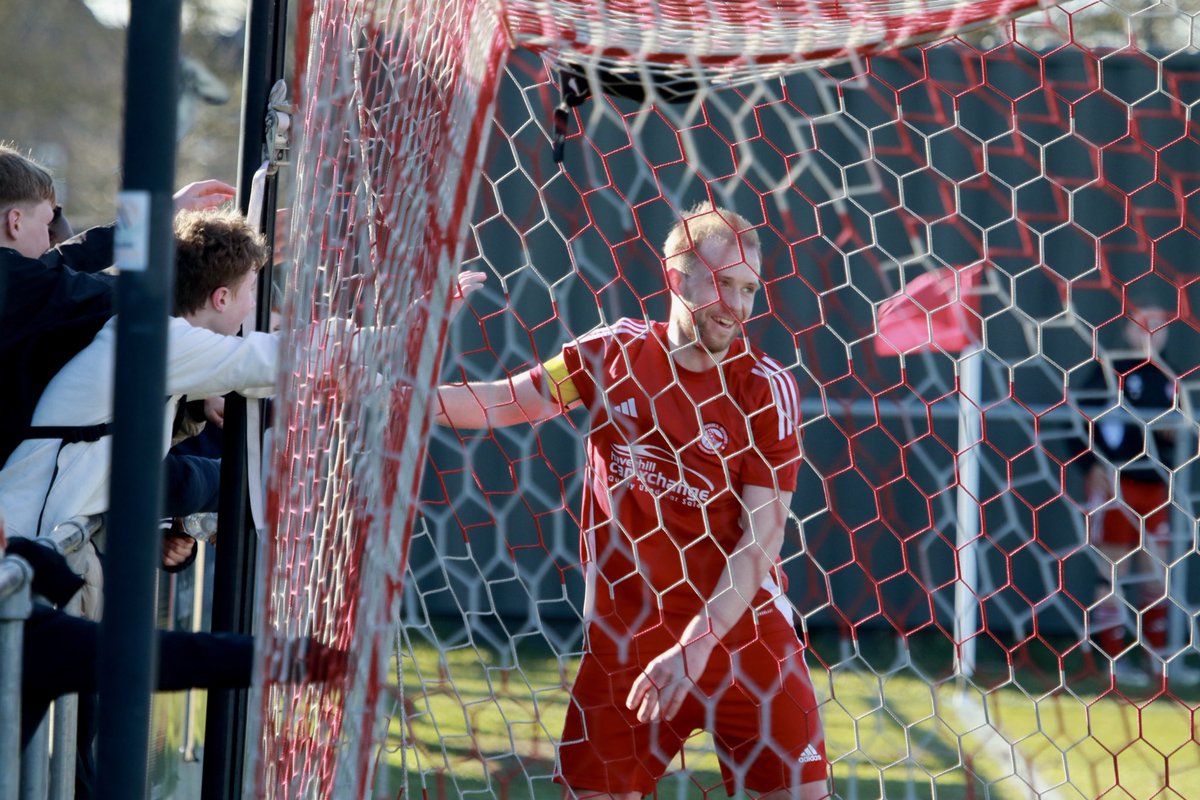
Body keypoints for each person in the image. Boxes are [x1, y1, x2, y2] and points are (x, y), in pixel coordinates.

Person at [434, 202, 828, 799]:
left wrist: (693, 651)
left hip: (744, 645)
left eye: (750, 289)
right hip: (630, 644)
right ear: (678, 277)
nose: (738, 307)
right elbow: (507, 402)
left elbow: (760, 543)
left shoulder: (766, 390)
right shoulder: (608, 357)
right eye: (725, 284)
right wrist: (395, 395)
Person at [1073, 304, 1184, 685]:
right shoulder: (1110, 370)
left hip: (1158, 488)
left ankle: (1157, 661)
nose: (1153, 332)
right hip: (1117, 485)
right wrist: (1092, 467)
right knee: (1113, 571)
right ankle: (1113, 662)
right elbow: (1074, 421)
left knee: (1157, 573)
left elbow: (1183, 431)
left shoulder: (1175, 376)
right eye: (1144, 326)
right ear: (1128, 331)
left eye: (1160, 325)